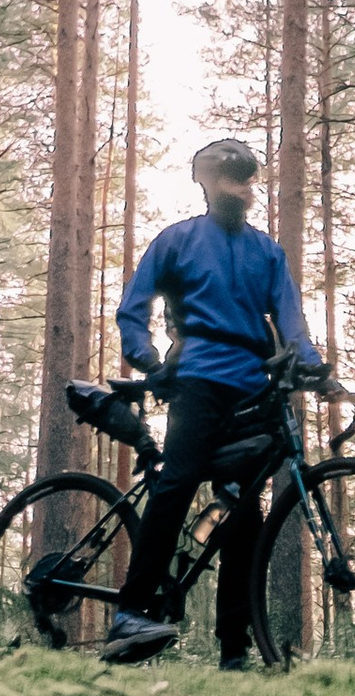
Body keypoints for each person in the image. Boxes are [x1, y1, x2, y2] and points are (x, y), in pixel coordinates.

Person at [102, 134, 330, 667]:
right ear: (206, 184)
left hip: (252, 386)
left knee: (243, 510)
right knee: (179, 481)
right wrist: (150, 361)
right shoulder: (177, 240)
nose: (238, 189)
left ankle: (234, 646)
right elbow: (133, 307)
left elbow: (290, 317)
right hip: (197, 376)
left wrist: (309, 361)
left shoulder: (267, 252)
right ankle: (129, 614)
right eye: (227, 178)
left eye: (244, 179)